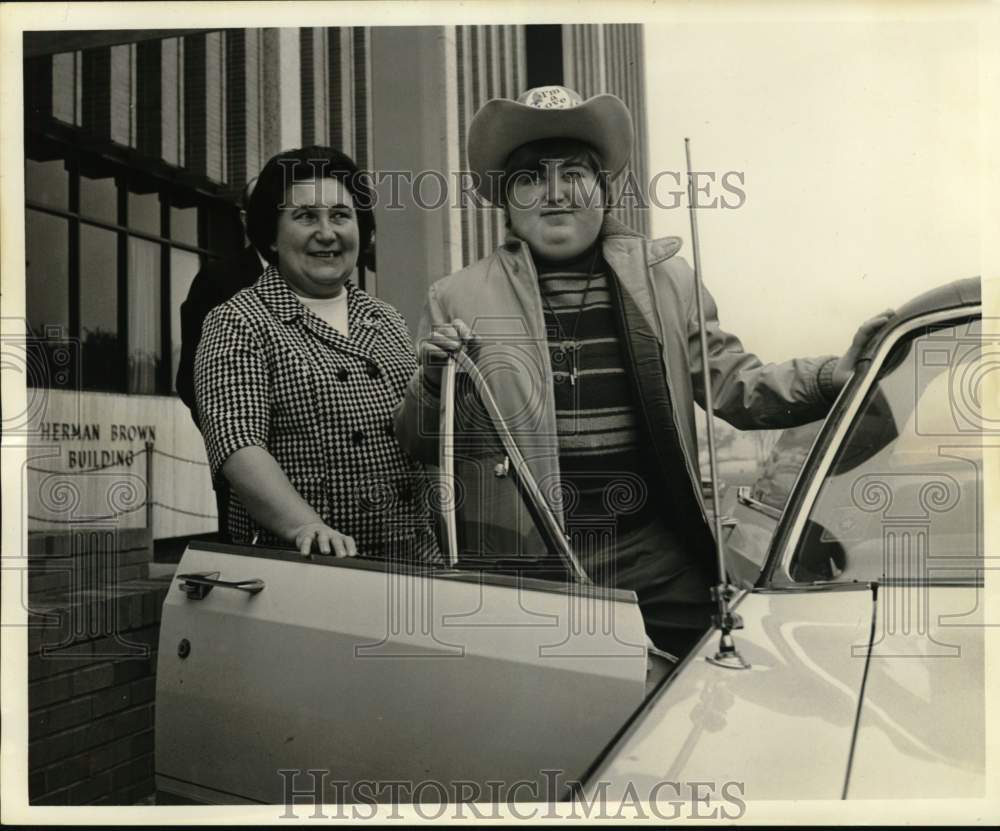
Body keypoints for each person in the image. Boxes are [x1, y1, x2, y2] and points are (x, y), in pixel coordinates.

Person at [394, 86, 892, 654]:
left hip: (653, 557)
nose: (555, 193)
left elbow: (736, 384)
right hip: (529, 570)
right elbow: (419, 443)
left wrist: (833, 375)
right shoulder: (455, 297)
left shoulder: (667, 282)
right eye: (531, 177)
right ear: (507, 198)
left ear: (603, 189)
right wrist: (432, 381)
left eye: (574, 174)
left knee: (706, 679)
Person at [195, 145, 439, 561]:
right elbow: (238, 444)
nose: (327, 233)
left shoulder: (387, 318)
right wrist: (304, 525)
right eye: (306, 216)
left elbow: (420, 440)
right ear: (271, 235)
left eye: (341, 216)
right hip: (305, 565)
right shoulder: (237, 321)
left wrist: (433, 383)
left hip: (413, 559)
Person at [176, 177, 264, 540]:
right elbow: (191, 380)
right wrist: (234, 445)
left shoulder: (321, 282)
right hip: (247, 468)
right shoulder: (217, 281)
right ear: (245, 218)